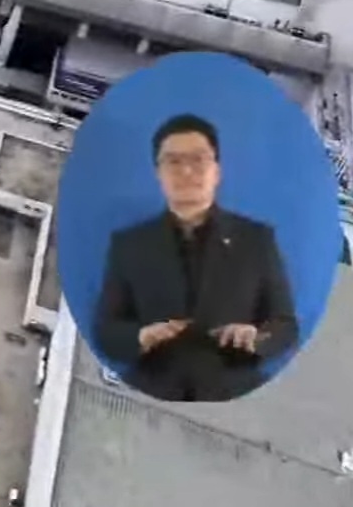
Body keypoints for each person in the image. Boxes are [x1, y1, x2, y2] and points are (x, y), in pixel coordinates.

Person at [92, 113, 299, 402]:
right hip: (149, 394)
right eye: (173, 162)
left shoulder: (256, 240)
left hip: (235, 393)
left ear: (217, 170)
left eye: (198, 159)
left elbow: (286, 325)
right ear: (158, 173)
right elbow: (106, 330)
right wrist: (142, 337)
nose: (186, 171)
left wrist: (255, 338)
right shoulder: (129, 244)